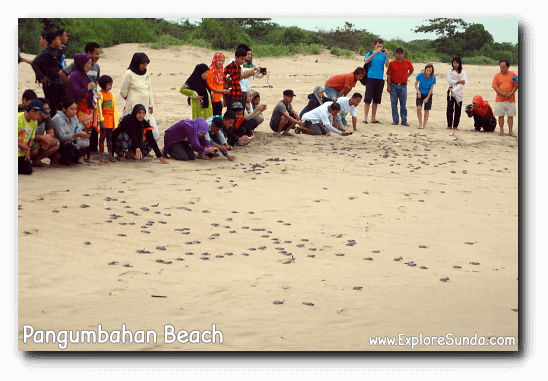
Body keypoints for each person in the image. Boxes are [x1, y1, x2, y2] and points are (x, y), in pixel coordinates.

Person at [67, 53, 96, 162]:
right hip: (78, 109)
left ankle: (84, 154)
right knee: (79, 130)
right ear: (81, 63)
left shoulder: (84, 75)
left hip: (87, 109)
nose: (90, 65)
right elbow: (76, 92)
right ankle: (78, 154)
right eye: (88, 63)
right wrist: (88, 87)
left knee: (87, 132)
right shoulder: (74, 75)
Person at [31, 32, 65, 118]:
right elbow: (34, 63)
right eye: (57, 39)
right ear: (52, 41)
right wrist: (41, 76)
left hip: (59, 82)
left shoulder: (58, 51)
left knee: (61, 104)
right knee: (52, 105)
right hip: (50, 84)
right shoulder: (45, 52)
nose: (59, 40)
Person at [51, 97, 90, 165]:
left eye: (75, 109)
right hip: (59, 144)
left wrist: (82, 135)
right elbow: (61, 137)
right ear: (64, 109)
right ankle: (57, 158)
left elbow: (78, 128)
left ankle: (72, 159)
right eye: (71, 109)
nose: (74, 111)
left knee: (85, 143)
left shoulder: (74, 117)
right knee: (68, 146)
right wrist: (76, 135)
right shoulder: (58, 118)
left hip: (71, 141)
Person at [18, 100, 50, 174]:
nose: (40, 116)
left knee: (28, 170)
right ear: (32, 111)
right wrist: (20, 145)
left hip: (21, 152)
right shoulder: (19, 119)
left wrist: (28, 149)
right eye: (39, 114)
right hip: (20, 147)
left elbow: (31, 137)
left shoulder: (34, 121)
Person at [363, 38, 390, 124]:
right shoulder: (370, 53)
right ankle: (365, 118)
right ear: (375, 45)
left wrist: (386, 55)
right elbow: (366, 61)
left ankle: (373, 118)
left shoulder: (383, 55)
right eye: (378, 46)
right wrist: (375, 53)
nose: (379, 48)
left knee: (376, 100)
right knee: (367, 99)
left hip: (380, 79)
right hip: (370, 78)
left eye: (381, 46)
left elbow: (387, 65)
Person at [120, 53, 154, 118]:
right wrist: (130, 99)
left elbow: (149, 89)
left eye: (146, 64)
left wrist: (151, 104)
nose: (145, 66)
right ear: (137, 62)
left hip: (145, 103)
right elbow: (123, 90)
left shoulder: (146, 73)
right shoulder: (129, 73)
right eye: (143, 63)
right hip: (133, 103)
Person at [386, 47, 414, 126]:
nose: (400, 55)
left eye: (401, 54)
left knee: (403, 104)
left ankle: (404, 120)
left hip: (403, 85)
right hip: (393, 85)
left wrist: (406, 77)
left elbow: (412, 70)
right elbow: (388, 75)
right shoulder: (392, 63)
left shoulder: (407, 62)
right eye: (398, 54)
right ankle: (395, 120)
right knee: (393, 103)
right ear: (396, 54)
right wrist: (388, 86)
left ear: (403, 54)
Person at [30, 97, 60, 167]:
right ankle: (25, 160)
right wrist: (41, 137)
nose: (47, 111)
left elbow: (51, 132)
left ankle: (36, 160)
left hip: (39, 140)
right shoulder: (32, 118)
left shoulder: (47, 116)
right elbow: (27, 136)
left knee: (55, 143)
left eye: (48, 109)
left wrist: (46, 138)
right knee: (35, 147)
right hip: (29, 141)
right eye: (45, 109)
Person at [97, 75, 120, 162]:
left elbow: (114, 109)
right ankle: (102, 154)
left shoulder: (111, 95)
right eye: (108, 85)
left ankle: (110, 154)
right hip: (104, 120)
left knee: (110, 138)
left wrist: (115, 121)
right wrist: (101, 120)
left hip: (110, 121)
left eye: (111, 85)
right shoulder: (100, 95)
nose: (110, 87)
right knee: (102, 137)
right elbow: (99, 108)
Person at [492, 59, 518, 136]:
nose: (502, 69)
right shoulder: (497, 75)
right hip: (500, 99)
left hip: (511, 99)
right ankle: (501, 130)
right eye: (501, 67)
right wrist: (502, 94)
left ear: (508, 67)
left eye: (503, 67)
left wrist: (511, 93)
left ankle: (510, 131)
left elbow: (516, 86)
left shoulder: (513, 75)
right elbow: (495, 86)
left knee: (510, 116)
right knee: (501, 115)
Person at [446, 56, 468, 130]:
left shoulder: (463, 72)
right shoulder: (450, 71)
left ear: (459, 63)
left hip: (459, 92)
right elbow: (450, 81)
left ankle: (455, 125)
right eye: (454, 62)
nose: (455, 64)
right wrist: (458, 82)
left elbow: (463, 82)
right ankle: (449, 125)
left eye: (457, 63)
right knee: (449, 108)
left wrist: (457, 86)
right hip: (451, 91)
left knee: (458, 109)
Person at [206, 52, 230, 116]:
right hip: (212, 99)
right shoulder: (210, 71)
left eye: (223, 61)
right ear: (215, 60)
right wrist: (219, 91)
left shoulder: (221, 71)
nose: (221, 63)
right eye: (219, 60)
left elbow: (221, 84)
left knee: (218, 117)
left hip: (219, 99)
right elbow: (209, 85)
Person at [415, 64, 436, 129]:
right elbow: (415, 84)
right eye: (427, 70)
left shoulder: (433, 77)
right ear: (425, 70)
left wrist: (427, 97)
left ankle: (424, 124)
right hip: (420, 93)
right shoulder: (420, 75)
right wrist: (418, 92)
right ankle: (420, 123)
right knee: (419, 108)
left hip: (428, 94)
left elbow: (431, 89)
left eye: (430, 71)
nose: (428, 72)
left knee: (426, 110)